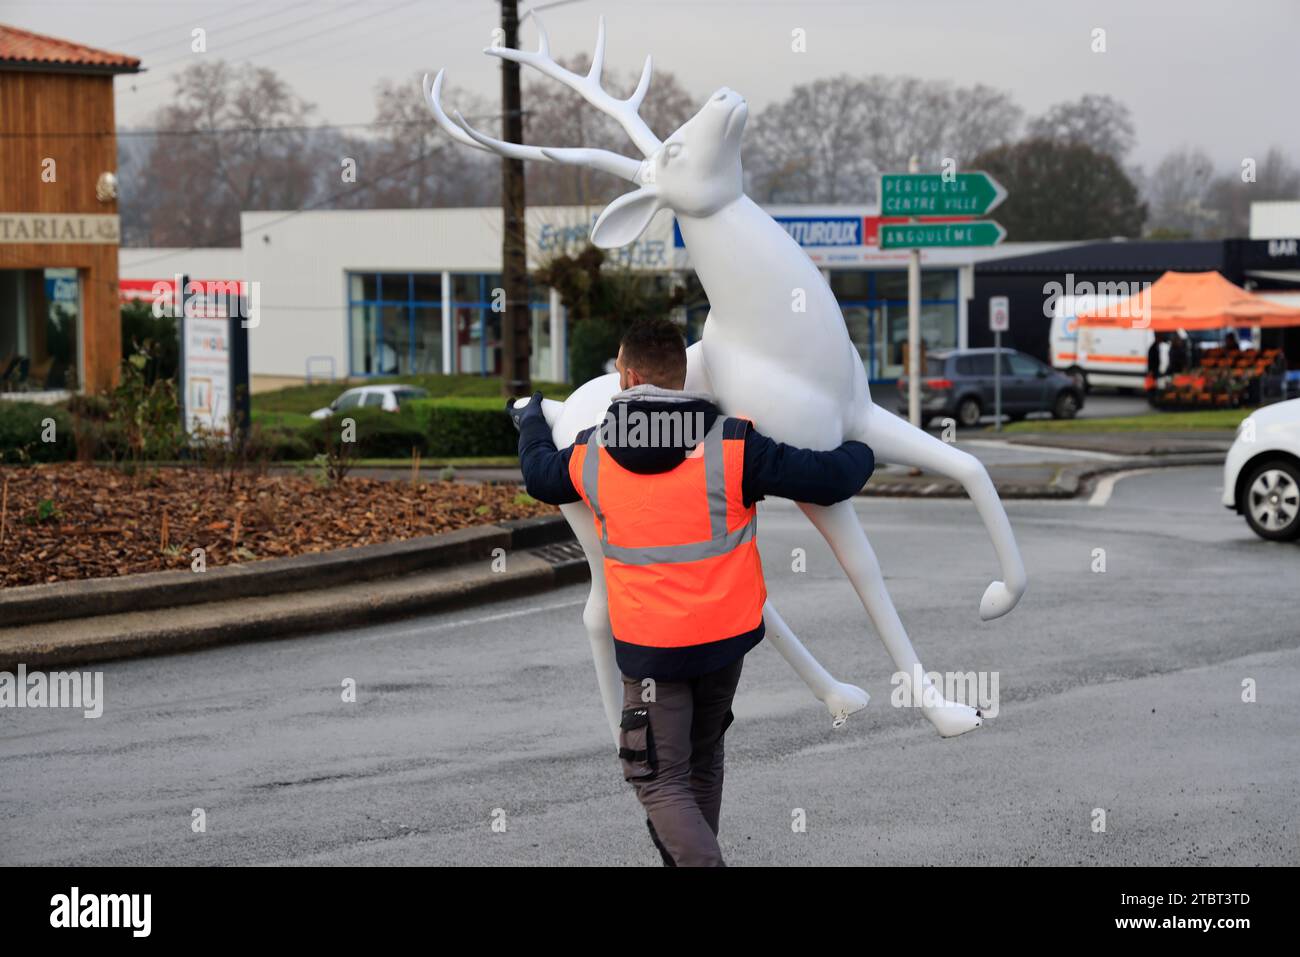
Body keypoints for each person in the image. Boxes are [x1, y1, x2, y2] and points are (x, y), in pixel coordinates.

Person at [509, 318, 875, 866]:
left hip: (653, 653)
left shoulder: (592, 455)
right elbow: (832, 478)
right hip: (725, 645)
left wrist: (530, 420)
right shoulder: (733, 445)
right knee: (700, 761)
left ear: (626, 375)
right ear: (680, 378)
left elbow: (539, 474)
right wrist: (862, 442)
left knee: (656, 779)